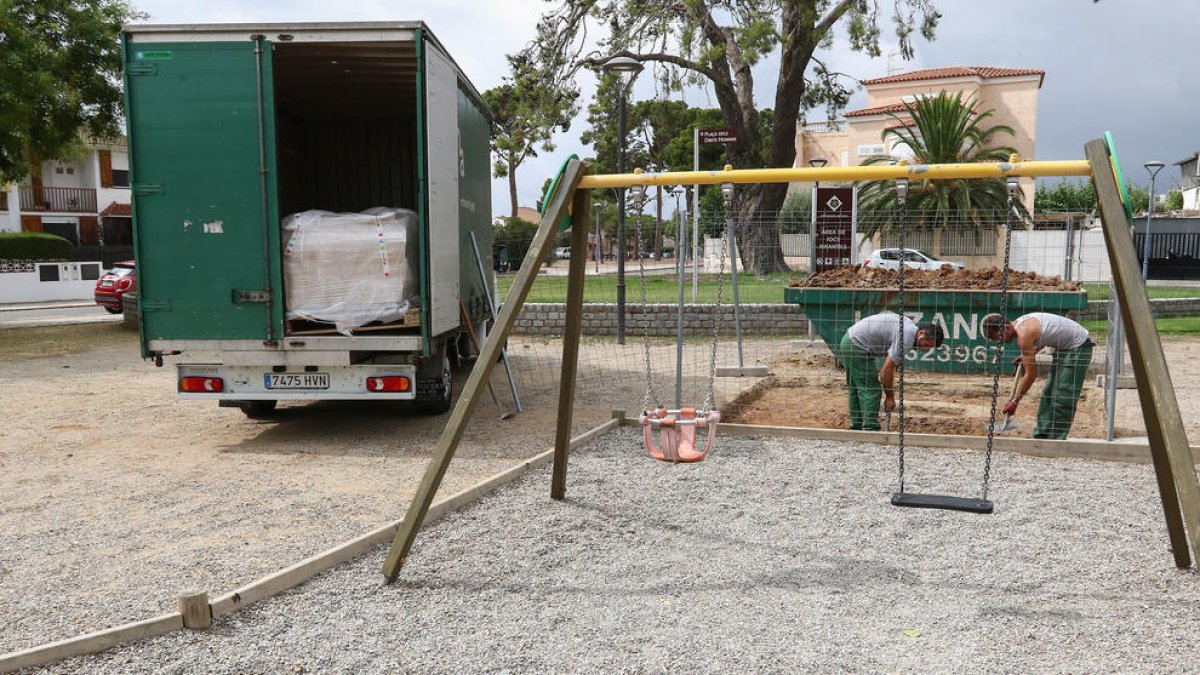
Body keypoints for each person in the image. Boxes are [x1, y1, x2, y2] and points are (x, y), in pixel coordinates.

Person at [980, 312, 1094, 440]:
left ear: (1006, 327)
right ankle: (1042, 435)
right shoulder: (1020, 323)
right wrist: (1025, 356)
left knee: (1063, 395)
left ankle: (1055, 440)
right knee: (1048, 392)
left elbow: (1030, 375)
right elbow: (1045, 336)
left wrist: (1014, 401)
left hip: (1078, 346)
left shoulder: (1023, 335)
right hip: (1064, 347)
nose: (1001, 342)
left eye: (999, 338)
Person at [839, 313, 945, 431]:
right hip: (856, 345)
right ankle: (870, 429)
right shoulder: (907, 338)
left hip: (849, 340)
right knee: (871, 388)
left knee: (856, 386)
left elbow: (891, 366)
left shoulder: (909, 328)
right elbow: (886, 370)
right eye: (926, 344)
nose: (924, 349)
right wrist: (890, 397)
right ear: (921, 333)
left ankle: (857, 426)